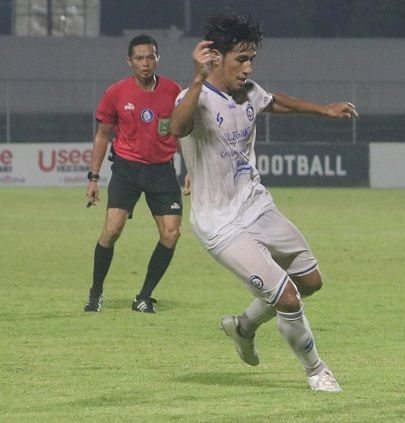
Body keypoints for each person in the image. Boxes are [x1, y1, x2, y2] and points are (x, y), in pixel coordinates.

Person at [169, 11, 358, 392]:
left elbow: (274, 101)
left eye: (252, 58)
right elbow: (177, 127)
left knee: (310, 281)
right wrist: (197, 78)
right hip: (220, 223)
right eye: (241, 59)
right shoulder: (196, 97)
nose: (248, 67)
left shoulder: (250, 91)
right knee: (287, 298)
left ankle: (244, 326)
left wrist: (323, 110)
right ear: (215, 58)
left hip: (257, 207)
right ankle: (316, 371)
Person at [84, 34, 183, 314]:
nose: (145, 63)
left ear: (157, 59)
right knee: (112, 229)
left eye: (150, 56)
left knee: (171, 234)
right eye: (139, 58)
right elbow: (102, 136)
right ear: (129, 61)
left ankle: (143, 296)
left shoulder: (174, 91)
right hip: (127, 169)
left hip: (162, 171)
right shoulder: (116, 92)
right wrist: (93, 177)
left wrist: (192, 171)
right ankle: (95, 292)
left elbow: (184, 132)